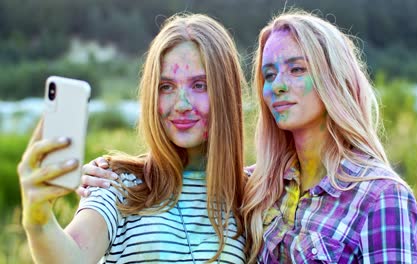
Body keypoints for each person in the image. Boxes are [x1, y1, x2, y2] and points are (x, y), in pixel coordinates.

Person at [81, 10, 417, 264]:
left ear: (334, 77)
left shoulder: (381, 197)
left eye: (297, 69)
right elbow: (188, 176)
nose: (279, 85)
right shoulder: (260, 189)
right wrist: (119, 170)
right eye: (269, 74)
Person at [18, 13, 246, 263]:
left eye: (200, 85)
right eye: (166, 86)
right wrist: (38, 220)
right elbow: (72, 258)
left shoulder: (254, 194)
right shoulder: (116, 182)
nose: (181, 104)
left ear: (226, 90)